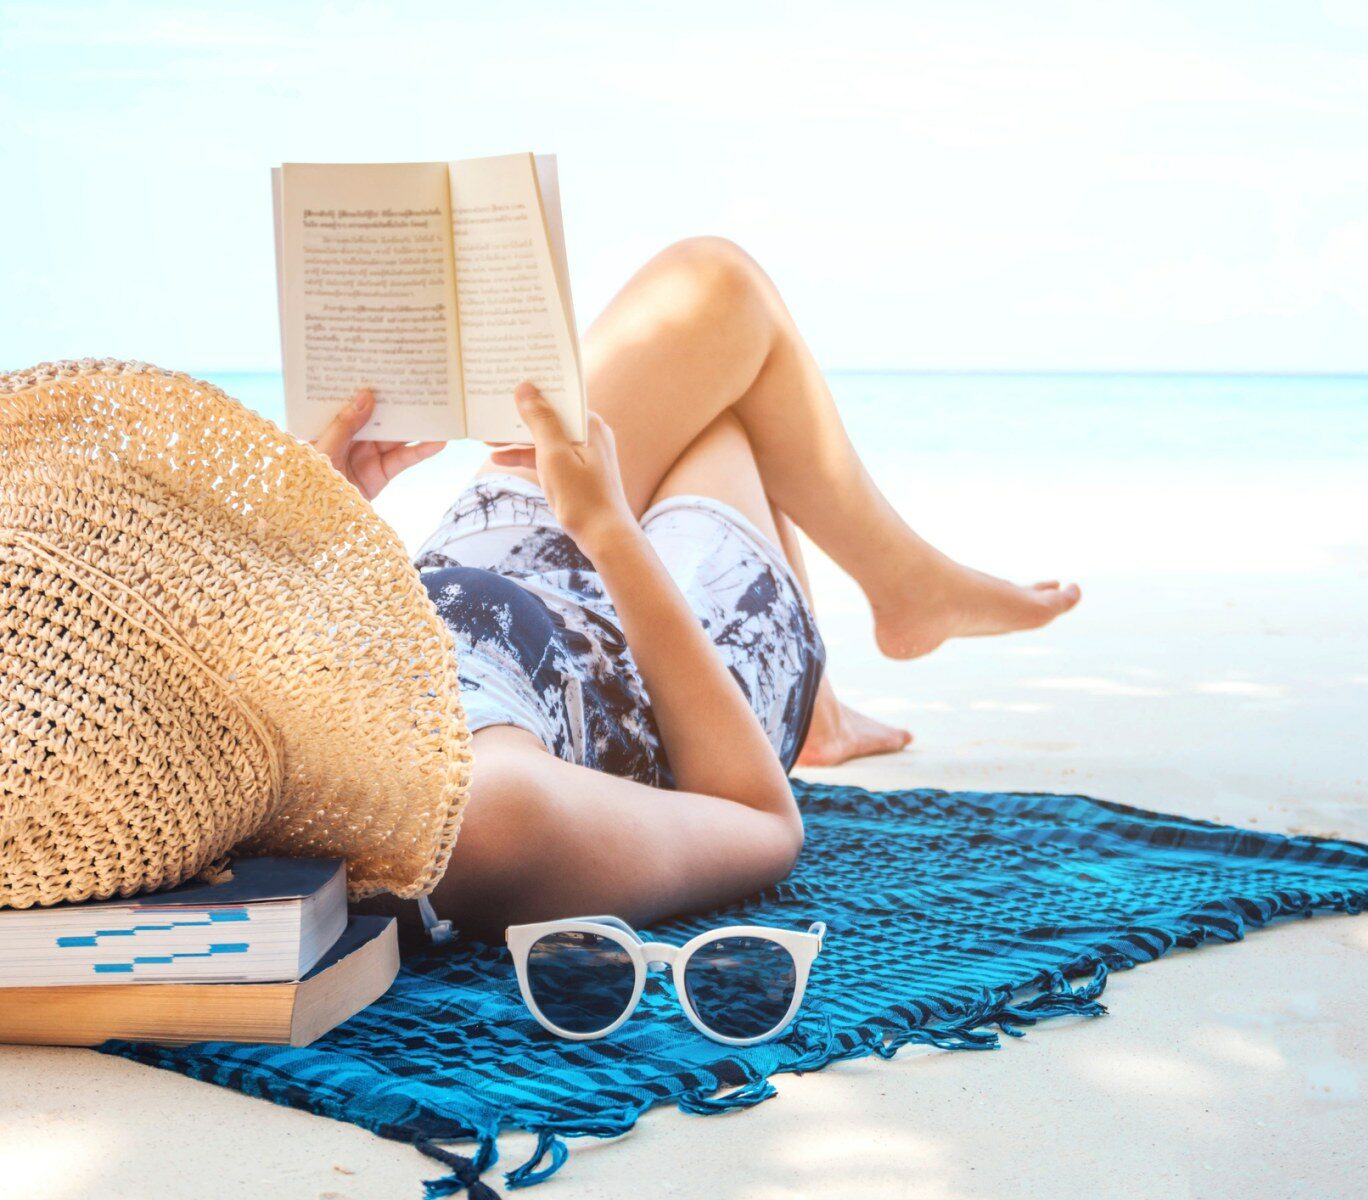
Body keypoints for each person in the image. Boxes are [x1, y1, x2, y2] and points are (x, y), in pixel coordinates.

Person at [322, 238, 1080, 937]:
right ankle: (877, 635)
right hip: (673, 684)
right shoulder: (489, 813)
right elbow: (760, 823)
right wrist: (611, 533)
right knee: (721, 406)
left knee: (713, 298)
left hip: (490, 574)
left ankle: (886, 625)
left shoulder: (264, 711)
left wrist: (321, 528)